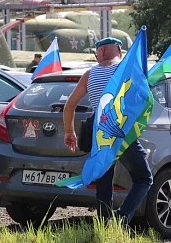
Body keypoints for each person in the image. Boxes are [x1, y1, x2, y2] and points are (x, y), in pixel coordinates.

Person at [62, 37, 153, 224]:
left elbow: (69, 106)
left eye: (96, 54)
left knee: (104, 183)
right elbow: (143, 97)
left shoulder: (89, 75)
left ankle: (104, 225)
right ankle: (122, 216)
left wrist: (69, 132)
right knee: (144, 178)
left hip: (100, 132)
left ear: (101, 52)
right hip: (121, 130)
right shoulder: (128, 70)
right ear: (119, 51)